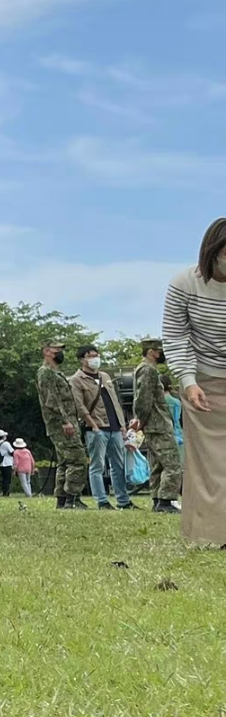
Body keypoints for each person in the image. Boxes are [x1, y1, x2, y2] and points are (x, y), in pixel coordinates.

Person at [163, 217, 226, 546]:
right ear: (213, 251)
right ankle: (208, 535)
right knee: (206, 464)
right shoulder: (185, 283)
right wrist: (188, 380)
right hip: (202, 383)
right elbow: (175, 336)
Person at [71, 345, 134, 508]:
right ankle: (102, 500)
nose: (95, 359)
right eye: (90, 356)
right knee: (97, 465)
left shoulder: (105, 376)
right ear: (82, 359)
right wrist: (93, 426)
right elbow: (79, 405)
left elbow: (116, 401)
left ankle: (123, 500)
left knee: (118, 465)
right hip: (96, 428)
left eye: (96, 355)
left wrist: (122, 425)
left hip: (115, 427)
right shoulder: (77, 380)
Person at [37, 341, 90, 508]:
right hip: (61, 424)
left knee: (65, 462)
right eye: (56, 350)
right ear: (46, 352)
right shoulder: (45, 373)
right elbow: (51, 400)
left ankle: (62, 499)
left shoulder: (54, 372)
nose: (60, 353)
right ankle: (71, 498)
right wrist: (65, 421)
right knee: (77, 460)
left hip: (65, 422)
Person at [133, 337, 183, 512]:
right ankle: (166, 500)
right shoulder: (148, 370)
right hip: (158, 423)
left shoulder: (145, 369)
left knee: (157, 465)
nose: (162, 354)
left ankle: (157, 499)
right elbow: (143, 397)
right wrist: (141, 417)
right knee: (173, 464)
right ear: (151, 351)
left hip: (153, 423)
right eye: (160, 350)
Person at [0, 430, 15, 496]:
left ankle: (4, 491)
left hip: (1, 463)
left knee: (4, 478)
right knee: (7, 479)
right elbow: (12, 452)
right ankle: (7, 492)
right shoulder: (6, 443)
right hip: (7, 462)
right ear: (3, 436)